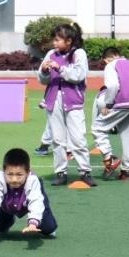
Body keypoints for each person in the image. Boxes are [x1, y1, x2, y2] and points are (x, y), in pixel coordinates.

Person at [38, 22, 96, 187]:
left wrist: (60, 68)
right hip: (53, 100)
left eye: (58, 40)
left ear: (69, 41)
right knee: (57, 139)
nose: (54, 43)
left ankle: (85, 171)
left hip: (73, 101)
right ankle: (61, 172)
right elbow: (42, 80)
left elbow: (78, 75)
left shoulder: (79, 54)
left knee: (78, 138)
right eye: (54, 40)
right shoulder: (50, 54)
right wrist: (44, 71)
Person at [91, 46, 129, 180]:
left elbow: (113, 85)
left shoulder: (111, 65)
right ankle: (126, 171)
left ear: (108, 58)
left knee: (97, 128)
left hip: (121, 103)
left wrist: (108, 104)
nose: (106, 64)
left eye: (105, 61)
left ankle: (109, 159)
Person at [0, 147, 57, 237]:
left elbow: (36, 201)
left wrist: (33, 223)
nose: (14, 179)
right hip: (7, 205)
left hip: (29, 201)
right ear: (4, 171)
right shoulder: (0, 179)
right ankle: (8, 218)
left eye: (19, 175)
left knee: (48, 228)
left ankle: (44, 221)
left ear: (28, 172)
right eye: (10, 174)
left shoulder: (32, 181)